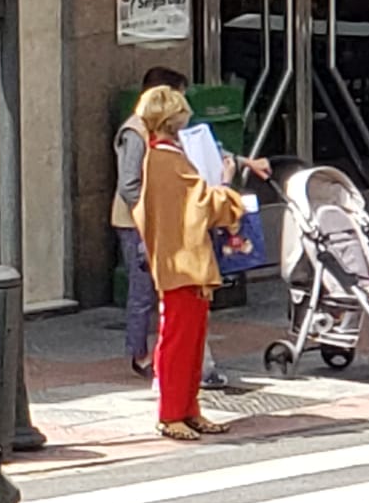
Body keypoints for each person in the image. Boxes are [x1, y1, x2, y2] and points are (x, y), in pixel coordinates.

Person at [114, 65, 268, 388]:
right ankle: (142, 355)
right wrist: (149, 219)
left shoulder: (169, 137)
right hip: (139, 223)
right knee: (145, 292)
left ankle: (185, 371)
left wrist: (243, 163)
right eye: (178, 95)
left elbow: (207, 153)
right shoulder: (138, 134)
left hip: (172, 226)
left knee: (174, 306)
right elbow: (130, 185)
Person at [131, 86, 250, 442]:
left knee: (191, 340)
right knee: (179, 340)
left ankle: (188, 408)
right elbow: (203, 204)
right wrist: (227, 186)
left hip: (181, 260)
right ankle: (171, 414)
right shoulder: (166, 158)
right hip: (182, 262)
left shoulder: (161, 156)